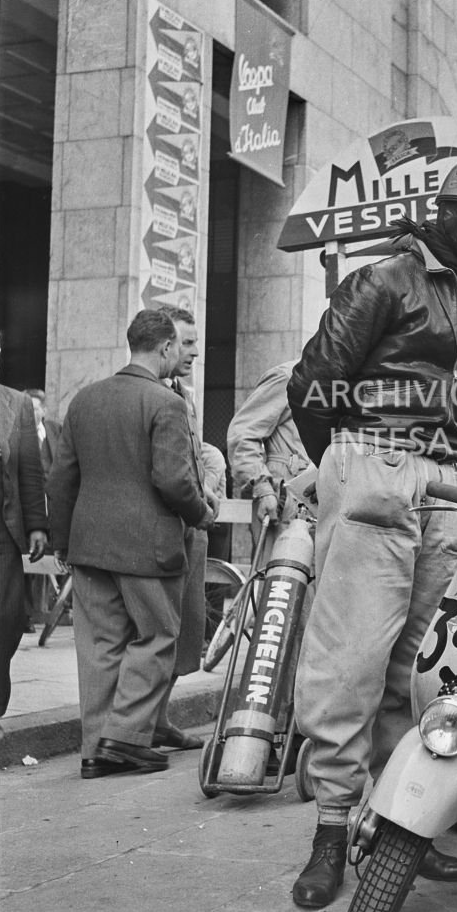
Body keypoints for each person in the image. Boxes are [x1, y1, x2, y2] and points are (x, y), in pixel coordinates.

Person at [285, 156, 457, 908]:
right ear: (451, 217)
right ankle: (331, 830)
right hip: (375, 465)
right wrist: (348, 465)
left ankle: (397, 830)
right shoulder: (385, 278)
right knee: (349, 659)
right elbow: (312, 382)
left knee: (420, 667)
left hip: (441, 486)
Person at [47, 309, 215, 779]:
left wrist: (62, 540)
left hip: (88, 546)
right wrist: (202, 514)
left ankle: (95, 750)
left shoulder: (85, 399)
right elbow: (174, 480)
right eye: (179, 347)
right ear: (164, 348)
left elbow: (60, 479)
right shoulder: (165, 403)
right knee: (157, 637)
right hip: (148, 547)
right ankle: (123, 738)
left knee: (100, 647)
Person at [152, 308, 223, 751]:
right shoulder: (151, 394)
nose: (196, 352)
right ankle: (145, 720)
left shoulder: (186, 393)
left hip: (191, 526)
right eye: (188, 343)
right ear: (166, 345)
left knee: (187, 627)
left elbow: (195, 453)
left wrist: (209, 479)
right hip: (164, 530)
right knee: (159, 628)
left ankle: (160, 718)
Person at [0, 335, 49, 725]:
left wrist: (37, 527)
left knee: (6, 619)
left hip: (3, 530)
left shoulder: (16, 404)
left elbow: (31, 472)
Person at [226, 358, 312, 546]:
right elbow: (243, 434)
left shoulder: (345, 384)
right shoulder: (290, 377)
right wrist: (263, 489)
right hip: (285, 508)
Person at [21, 388, 62, 629]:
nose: (31, 412)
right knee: (27, 558)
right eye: (27, 408)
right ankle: (26, 614)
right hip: (29, 507)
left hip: (54, 505)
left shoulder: (56, 431)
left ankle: (49, 608)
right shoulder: (16, 432)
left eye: (35, 408)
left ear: (44, 410)